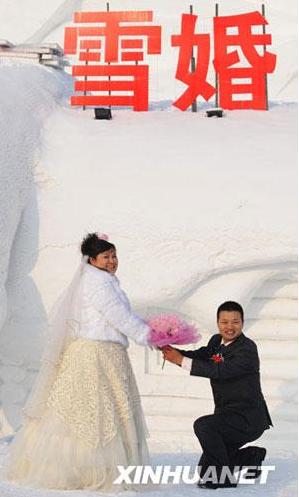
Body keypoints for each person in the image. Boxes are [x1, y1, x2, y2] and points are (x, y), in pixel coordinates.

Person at [4, 233, 151, 491]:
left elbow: (120, 315)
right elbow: (118, 316)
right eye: (106, 257)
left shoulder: (105, 281)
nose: (112, 261)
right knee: (91, 412)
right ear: (92, 259)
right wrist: (148, 335)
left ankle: (99, 466)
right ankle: (85, 468)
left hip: (107, 354)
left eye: (114, 256)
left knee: (97, 410)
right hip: (94, 356)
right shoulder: (98, 284)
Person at [162, 301, 272, 489]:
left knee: (204, 426)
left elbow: (220, 370)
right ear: (217, 322)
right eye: (224, 322)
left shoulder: (247, 349)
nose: (229, 327)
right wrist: (172, 351)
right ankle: (252, 457)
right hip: (226, 416)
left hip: (247, 419)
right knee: (206, 471)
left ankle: (225, 479)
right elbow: (200, 355)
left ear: (243, 323)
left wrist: (181, 361)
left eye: (235, 322)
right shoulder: (216, 341)